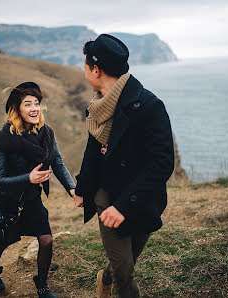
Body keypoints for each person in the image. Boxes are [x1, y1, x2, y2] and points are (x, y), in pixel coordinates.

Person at [72, 34, 175, 298]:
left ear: (96, 70)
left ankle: (105, 277)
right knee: (126, 275)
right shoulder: (99, 106)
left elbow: (162, 164)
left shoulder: (150, 107)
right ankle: (116, 281)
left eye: (84, 66)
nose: (83, 71)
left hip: (139, 199)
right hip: (107, 195)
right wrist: (83, 187)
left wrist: (124, 205)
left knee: (125, 263)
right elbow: (93, 151)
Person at [0, 82, 76, 298]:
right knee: (3, 241)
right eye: (28, 104)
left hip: (33, 200)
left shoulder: (47, 134)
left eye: (37, 103)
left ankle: (41, 284)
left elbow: (58, 163)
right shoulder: (5, 136)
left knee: (46, 240)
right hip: (8, 201)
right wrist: (29, 177)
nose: (34, 108)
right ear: (17, 109)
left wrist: (71, 188)